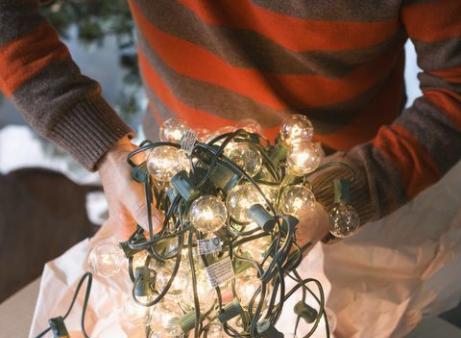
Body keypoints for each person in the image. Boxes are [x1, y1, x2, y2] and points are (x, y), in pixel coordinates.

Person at [1, 0, 460, 242]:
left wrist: (344, 195)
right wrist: (103, 146)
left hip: (353, 199)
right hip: (168, 175)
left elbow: (453, 92)